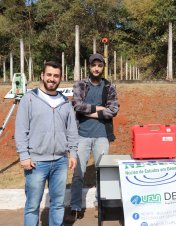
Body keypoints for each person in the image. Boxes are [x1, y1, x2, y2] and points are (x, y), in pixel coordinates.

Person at [14, 61, 78, 226]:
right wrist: (24, 155)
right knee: (32, 206)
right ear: (42, 76)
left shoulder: (65, 102)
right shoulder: (29, 99)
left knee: (57, 204)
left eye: (56, 76)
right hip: (36, 162)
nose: (52, 78)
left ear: (60, 78)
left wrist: (73, 153)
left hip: (60, 161)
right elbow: (21, 130)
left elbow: (71, 130)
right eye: (49, 74)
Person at [64, 53, 119, 223]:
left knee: (100, 172)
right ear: (89, 66)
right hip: (81, 136)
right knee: (78, 172)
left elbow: (114, 109)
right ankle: (75, 207)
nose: (96, 68)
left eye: (100, 65)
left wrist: (92, 113)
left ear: (103, 67)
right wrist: (98, 109)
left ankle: (99, 204)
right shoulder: (80, 84)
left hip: (102, 135)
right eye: (94, 65)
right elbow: (77, 105)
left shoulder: (109, 86)